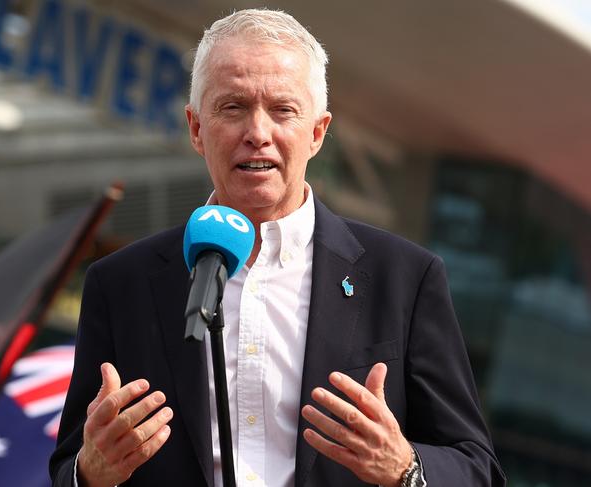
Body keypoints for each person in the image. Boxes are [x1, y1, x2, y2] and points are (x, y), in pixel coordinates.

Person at [50, 8, 505, 487]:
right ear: (196, 128)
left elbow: (477, 468)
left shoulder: (405, 279)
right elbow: (67, 470)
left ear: (316, 132)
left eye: (283, 110)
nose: (258, 133)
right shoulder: (121, 283)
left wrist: (405, 468)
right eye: (232, 107)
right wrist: (90, 474)